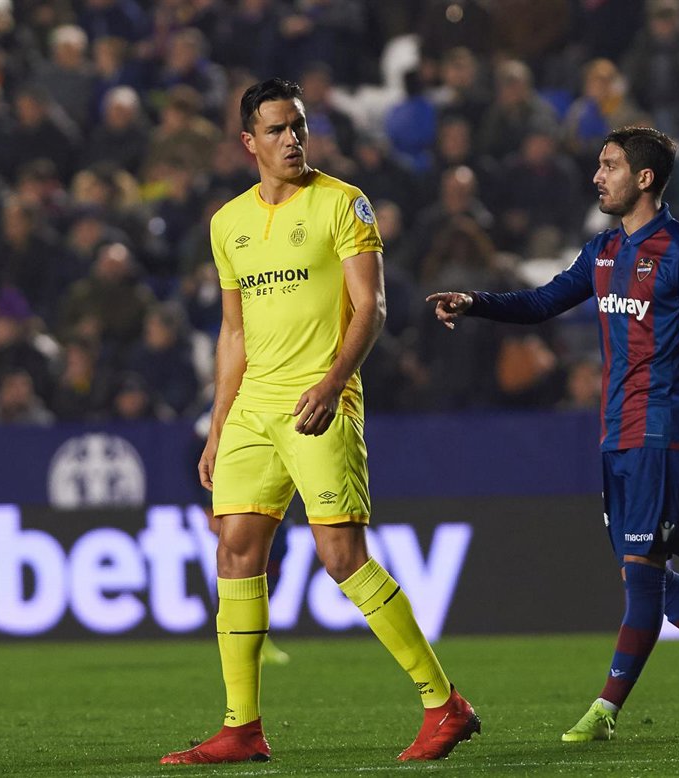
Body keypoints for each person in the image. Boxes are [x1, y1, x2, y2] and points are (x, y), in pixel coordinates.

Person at [426, 127, 679, 743]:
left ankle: (605, 710)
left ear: (644, 179)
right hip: (615, 431)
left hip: (664, 431)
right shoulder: (603, 250)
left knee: (642, 576)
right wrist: (477, 302)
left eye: (610, 165)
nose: (597, 176)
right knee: (645, 577)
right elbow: (543, 302)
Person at [160, 78, 479, 766]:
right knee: (235, 549)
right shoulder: (227, 223)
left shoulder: (343, 203)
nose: (292, 139)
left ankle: (443, 703)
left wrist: (334, 384)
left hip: (319, 401)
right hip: (252, 409)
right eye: (276, 129)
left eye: (298, 126)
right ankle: (241, 727)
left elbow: (371, 308)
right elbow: (233, 333)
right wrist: (218, 424)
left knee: (341, 557)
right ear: (248, 142)